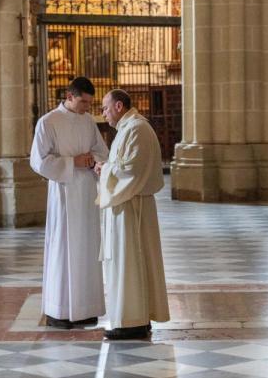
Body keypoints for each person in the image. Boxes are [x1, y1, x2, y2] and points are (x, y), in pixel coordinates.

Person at [30, 77, 109, 329]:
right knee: (63, 248)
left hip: (86, 191)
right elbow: (39, 161)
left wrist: (95, 162)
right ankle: (59, 310)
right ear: (69, 96)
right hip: (63, 192)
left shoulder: (87, 121)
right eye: (84, 102)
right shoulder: (48, 121)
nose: (88, 107)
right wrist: (72, 162)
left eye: (91, 102)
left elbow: (101, 150)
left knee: (87, 247)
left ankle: (86, 308)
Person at [94, 89, 169, 339]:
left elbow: (132, 171)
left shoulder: (136, 129)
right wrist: (108, 169)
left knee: (129, 261)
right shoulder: (128, 129)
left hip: (131, 207)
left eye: (105, 108)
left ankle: (131, 321)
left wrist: (104, 169)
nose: (102, 113)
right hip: (126, 205)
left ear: (118, 106)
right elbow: (124, 167)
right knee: (127, 262)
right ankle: (133, 317)